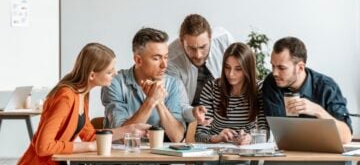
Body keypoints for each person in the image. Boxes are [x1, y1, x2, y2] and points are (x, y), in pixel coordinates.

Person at [18, 43, 150, 165]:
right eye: (109, 71)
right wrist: (90, 146)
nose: (115, 73)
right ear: (92, 75)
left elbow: (90, 136)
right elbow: (43, 147)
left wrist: (130, 129)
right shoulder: (66, 96)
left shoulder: (81, 95)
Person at [101, 28, 185, 142]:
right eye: (156, 58)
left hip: (160, 158)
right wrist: (151, 100)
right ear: (138, 60)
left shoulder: (173, 84)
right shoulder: (114, 82)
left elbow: (177, 137)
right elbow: (122, 136)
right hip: (123, 157)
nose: (164, 65)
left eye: (166, 57)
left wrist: (159, 102)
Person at [262, 36, 352, 143]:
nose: (275, 73)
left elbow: (346, 137)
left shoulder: (327, 87)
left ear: (300, 67)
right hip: (291, 154)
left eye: (282, 68)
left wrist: (318, 111)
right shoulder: (271, 83)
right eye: (273, 66)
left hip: (324, 155)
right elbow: (282, 133)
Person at [166, 14, 234, 123]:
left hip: (227, 111)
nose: (198, 55)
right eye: (191, 48)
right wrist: (193, 112)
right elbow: (178, 105)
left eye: (203, 47)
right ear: (181, 42)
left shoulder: (225, 40)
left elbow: (241, 77)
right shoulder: (170, 58)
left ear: (210, 38)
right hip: (190, 118)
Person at [195, 42, 267, 144]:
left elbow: (265, 133)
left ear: (248, 69)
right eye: (227, 67)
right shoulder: (211, 88)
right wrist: (218, 138)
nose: (230, 74)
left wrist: (250, 138)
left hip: (246, 153)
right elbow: (199, 135)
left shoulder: (259, 89)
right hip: (215, 153)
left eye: (238, 69)